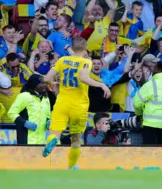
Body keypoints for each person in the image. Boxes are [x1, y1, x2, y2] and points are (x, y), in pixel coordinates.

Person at [41, 37, 111, 169]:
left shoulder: (62, 60)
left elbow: (46, 78)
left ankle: (52, 141)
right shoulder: (86, 62)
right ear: (85, 49)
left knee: (55, 132)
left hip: (62, 103)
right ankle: (71, 166)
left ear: (72, 48)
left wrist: (51, 83)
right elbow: (83, 77)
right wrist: (102, 85)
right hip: (78, 106)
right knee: (76, 139)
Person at [133, 61, 162, 145]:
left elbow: (136, 102)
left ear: (157, 69)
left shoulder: (150, 84)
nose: (152, 70)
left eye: (154, 68)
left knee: (149, 154)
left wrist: (139, 114)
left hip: (150, 125)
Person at [7, 74, 51, 145]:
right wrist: (24, 122)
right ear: (34, 85)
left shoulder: (46, 98)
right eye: (41, 83)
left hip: (41, 141)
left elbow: (48, 115)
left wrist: (48, 121)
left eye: (45, 83)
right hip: (26, 139)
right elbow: (11, 113)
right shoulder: (24, 96)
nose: (44, 85)